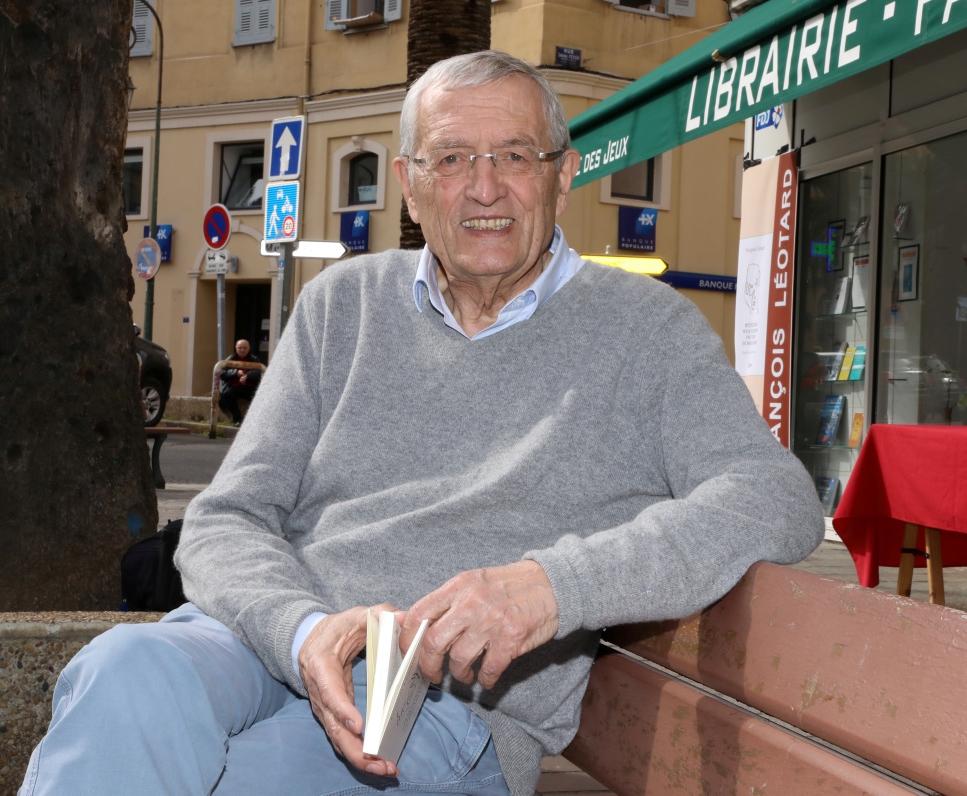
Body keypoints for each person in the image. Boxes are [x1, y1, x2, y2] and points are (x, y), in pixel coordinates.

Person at [20, 51, 823, 796]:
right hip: (275, 637)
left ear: (562, 176)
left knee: (238, 780)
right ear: (408, 184)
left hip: (445, 706)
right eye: (452, 159)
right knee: (121, 674)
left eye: (515, 156)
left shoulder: (647, 330)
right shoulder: (343, 304)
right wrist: (302, 631)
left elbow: (772, 497)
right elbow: (227, 517)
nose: (485, 188)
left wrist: (552, 586)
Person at [217, 339, 262, 425]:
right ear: (236, 348)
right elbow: (221, 373)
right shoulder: (230, 359)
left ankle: (256, 421)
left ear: (249, 348)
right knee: (226, 395)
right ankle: (238, 419)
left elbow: (259, 372)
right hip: (234, 387)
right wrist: (235, 373)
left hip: (250, 387)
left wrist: (247, 376)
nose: (242, 350)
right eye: (240, 348)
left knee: (260, 397)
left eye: (244, 348)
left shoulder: (255, 359)